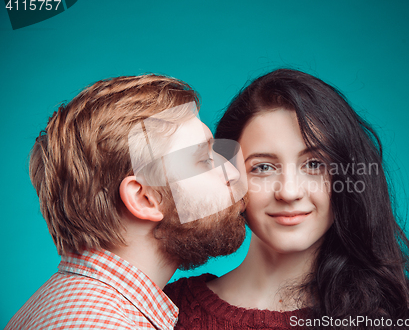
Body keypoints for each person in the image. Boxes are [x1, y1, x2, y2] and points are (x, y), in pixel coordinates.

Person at [165, 69, 409, 329]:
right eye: (263, 167)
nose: (289, 192)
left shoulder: (392, 318)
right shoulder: (167, 312)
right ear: (229, 179)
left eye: (314, 165)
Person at [6, 74, 247, 330]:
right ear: (145, 198)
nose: (232, 173)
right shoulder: (101, 324)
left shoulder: (67, 303)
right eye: (204, 160)